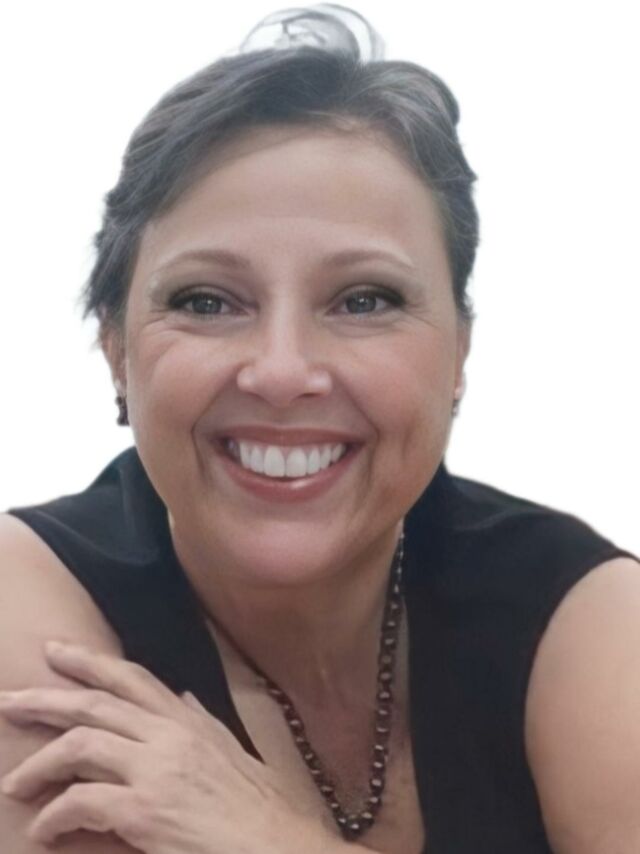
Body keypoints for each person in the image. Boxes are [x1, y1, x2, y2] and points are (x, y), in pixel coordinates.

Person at [0, 4, 638, 853]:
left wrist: (272, 837)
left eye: (364, 300)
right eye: (206, 301)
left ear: (459, 352)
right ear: (116, 348)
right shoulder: (24, 602)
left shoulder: (585, 612)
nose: (282, 370)